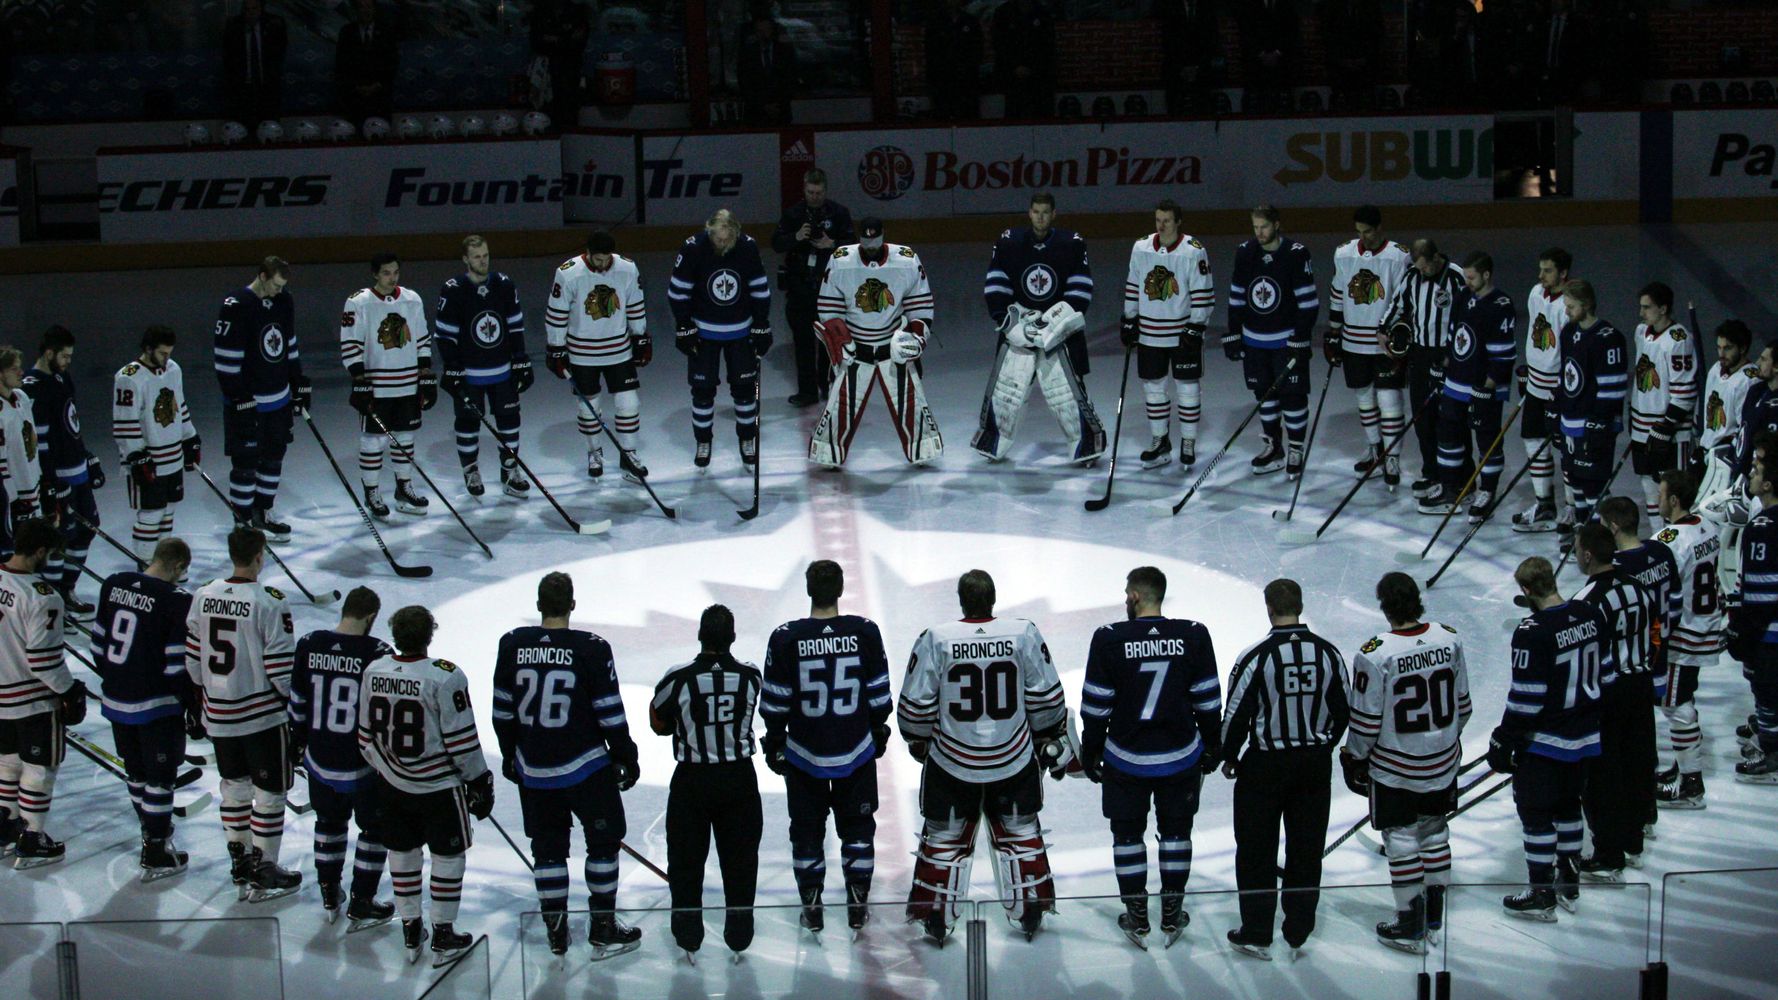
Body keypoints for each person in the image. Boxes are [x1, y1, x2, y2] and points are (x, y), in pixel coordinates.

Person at [898, 569, 1068, 943]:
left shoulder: (936, 638)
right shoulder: (1023, 633)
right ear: (993, 598)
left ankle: (937, 916)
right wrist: (1044, 736)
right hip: (1014, 759)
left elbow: (913, 710)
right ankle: (1031, 909)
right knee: (1021, 832)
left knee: (944, 838)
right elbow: (1048, 700)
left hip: (951, 763)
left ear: (961, 601)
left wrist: (919, 741)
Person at [493, 572, 642, 959]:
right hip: (586, 768)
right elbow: (609, 712)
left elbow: (502, 711)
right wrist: (626, 755)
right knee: (604, 844)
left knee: (547, 850)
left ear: (539, 604)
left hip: (535, 769)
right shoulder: (591, 648)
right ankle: (603, 926)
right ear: (572, 604)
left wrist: (510, 753)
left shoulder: (512, 644)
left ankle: (556, 931)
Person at [1079, 566, 1220, 950]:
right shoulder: (1193, 634)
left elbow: (1096, 706)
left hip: (1126, 760)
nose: (1126, 599)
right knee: (1177, 833)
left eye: (1127, 593)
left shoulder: (1109, 638)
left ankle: (1137, 913)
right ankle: (1172, 911)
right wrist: (1213, 743)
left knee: (1127, 835)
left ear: (1136, 596)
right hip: (1180, 757)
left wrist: (1090, 751)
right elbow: (1207, 699)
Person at [1342, 573, 1472, 953]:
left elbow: (1366, 723)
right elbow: (1463, 707)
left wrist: (1354, 755)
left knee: (1400, 838)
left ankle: (1410, 920)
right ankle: (1433, 916)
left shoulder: (1375, 652)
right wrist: (1442, 743)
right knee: (1434, 830)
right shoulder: (1449, 637)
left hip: (1397, 769)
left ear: (1384, 605)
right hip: (1443, 762)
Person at [760, 560, 892, 933]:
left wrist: (775, 741)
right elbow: (880, 698)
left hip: (805, 756)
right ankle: (857, 899)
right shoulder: (864, 631)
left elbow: (774, 705)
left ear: (808, 589)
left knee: (806, 832)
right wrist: (876, 730)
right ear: (840, 588)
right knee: (858, 830)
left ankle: (812, 903)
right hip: (856, 752)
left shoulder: (786, 636)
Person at [358, 605, 494, 967]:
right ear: (429, 635)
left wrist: (390, 768)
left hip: (391, 785)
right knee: (448, 856)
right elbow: (462, 743)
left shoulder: (375, 671)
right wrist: (479, 779)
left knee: (402, 852)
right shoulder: (444, 677)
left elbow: (364, 737)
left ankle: (410, 926)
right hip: (438, 789)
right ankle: (443, 933)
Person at [1220, 578, 1348, 961]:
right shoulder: (1328, 653)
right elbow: (1345, 710)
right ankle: (1297, 929)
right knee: (1306, 848)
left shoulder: (1256, 655)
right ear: (1301, 605)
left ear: (1269, 608)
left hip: (1265, 766)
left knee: (1256, 850)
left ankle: (1258, 931)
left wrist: (1228, 756)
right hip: (1312, 765)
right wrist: (1323, 743)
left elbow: (1236, 713)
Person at [1491, 556, 1610, 922]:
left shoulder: (1532, 631)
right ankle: (1568, 882)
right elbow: (1605, 671)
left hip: (1546, 741)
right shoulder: (1591, 614)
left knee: (1536, 814)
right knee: (1569, 805)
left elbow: (1527, 695)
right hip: (1585, 735)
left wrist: (1504, 738)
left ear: (1526, 591)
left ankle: (1542, 893)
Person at [185, 526, 300, 902]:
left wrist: (209, 694)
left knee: (233, 788)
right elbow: (281, 668)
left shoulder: (203, 595)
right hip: (261, 716)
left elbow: (193, 657)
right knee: (269, 794)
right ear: (259, 556)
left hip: (218, 713)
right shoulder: (270, 601)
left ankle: (239, 861)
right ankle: (264, 867)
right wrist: (293, 708)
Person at [650, 604, 763, 959]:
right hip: (739, 780)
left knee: (685, 863)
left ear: (700, 635)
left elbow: (657, 721)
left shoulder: (677, 677)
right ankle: (739, 934)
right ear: (732, 637)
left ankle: (688, 936)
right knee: (741, 862)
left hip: (692, 783)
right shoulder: (751, 675)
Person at [288, 586, 397, 931]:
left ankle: (329, 893)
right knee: (374, 830)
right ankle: (362, 899)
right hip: (362, 765)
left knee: (328, 824)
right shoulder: (378, 653)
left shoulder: (309, 644)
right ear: (370, 618)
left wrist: (299, 744)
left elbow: (298, 704)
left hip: (320, 759)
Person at [90, 536, 194, 881]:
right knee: (161, 779)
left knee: (136, 773)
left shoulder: (114, 583)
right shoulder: (176, 601)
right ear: (178, 566)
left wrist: (116, 680)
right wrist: (192, 705)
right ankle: (156, 848)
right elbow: (176, 666)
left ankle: (150, 831)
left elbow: (98, 644)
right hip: (156, 706)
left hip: (116, 701)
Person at [973, 192, 1104, 465]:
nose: (1040, 217)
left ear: (1053, 214)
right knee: (1007, 389)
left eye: (1046, 212)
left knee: (1065, 391)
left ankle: (1085, 443)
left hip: (1058, 329)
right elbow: (997, 283)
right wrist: (1008, 322)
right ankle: (995, 439)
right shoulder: (1009, 242)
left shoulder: (1072, 243)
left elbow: (1080, 288)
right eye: (1036, 211)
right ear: (1029, 213)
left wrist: (1057, 321)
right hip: (1022, 324)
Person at [811, 217, 943, 467]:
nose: (870, 246)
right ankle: (828, 451)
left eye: (875, 240)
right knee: (841, 403)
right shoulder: (841, 260)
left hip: (893, 347)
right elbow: (828, 308)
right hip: (855, 348)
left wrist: (916, 338)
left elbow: (921, 306)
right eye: (866, 240)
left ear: (883, 236)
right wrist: (840, 339)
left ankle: (922, 448)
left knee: (910, 402)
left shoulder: (906, 259)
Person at [1571, 521, 1657, 882]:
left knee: (1603, 775)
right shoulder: (1638, 586)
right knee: (1637, 763)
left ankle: (1608, 853)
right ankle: (1634, 841)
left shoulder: (1587, 601)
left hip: (1608, 694)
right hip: (1641, 685)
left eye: (1576, 549)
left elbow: (1586, 659)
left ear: (1588, 555)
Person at [0, 518, 84, 868]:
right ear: (39, 552)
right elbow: (43, 662)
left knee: (6, 762)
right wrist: (70, 690)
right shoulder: (42, 597)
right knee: (40, 767)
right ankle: (31, 839)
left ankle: (6, 828)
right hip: (31, 698)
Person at [215, 255, 310, 541]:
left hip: (278, 399)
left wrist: (298, 382)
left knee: (273, 457)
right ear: (263, 276)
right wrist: (238, 397)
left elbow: (288, 343)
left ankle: (263, 513)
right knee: (245, 465)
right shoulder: (236, 305)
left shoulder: (284, 300)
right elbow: (225, 360)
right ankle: (242, 525)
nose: (279, 291)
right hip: (248, 403)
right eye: (276, 285)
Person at [669, 209, 772, 470]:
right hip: (704, 333)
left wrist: (761, 324)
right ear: (709, 232)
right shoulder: (693, 248)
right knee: (702, 392)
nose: (722, 244)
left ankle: (747, 439)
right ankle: (703, 442)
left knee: (745, 391)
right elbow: (677, 292)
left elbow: (760, 288)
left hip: (741, 332)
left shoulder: (747, 247)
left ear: (736, 233)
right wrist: (684, 326)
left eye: (726, 239)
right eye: (717, 239)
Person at [1598, 495, 1675, 845]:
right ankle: (1646, 812)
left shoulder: (1616, 568)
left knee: (1626, 745)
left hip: (1630, 662)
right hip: (1657, 653)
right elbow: (1674, 602)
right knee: (1646, 737)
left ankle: (1626, 820)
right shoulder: (1661, 551)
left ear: (1613, 526)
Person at [546, 230, 651, 482]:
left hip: (619, 350)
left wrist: (640, 337)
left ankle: (629, 454)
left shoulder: (627, 268)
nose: (603, 265)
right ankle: (594, 452)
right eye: (597, 260)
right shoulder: (568, 272)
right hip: (582, 354)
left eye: (606, 260)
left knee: (629, 404)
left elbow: (636, 304)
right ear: (588, 253)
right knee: (588, 408)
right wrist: (556, 348)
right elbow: (556, 312)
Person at [1419, 251, 1516, 523]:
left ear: (1486, 275)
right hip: (1456, 382)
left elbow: (1504, 354)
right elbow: (1455, 336)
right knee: (1447, 434)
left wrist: (1488, 387)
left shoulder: (1500, 304)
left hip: (1483, 387)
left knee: (1487, 439)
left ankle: (1487, 491)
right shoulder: (1463, 295)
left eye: (1472, 277)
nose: (1467, 282)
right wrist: (1444, 364)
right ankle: (1452, 486)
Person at [1224, 204, 1317, 479]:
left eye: (1263, 226)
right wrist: (1233, 333)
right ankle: (1273, 446)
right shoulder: (1245, 252)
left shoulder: (1296, 254)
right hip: (1255, 342)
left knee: (1293, 396)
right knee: (1264, 395)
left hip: (1285, 341)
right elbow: (1237, 296)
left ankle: (1296, 448)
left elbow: (1308, 303)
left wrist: (1300, 338)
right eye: (1255, 227)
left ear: (1277, 224)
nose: (1259, 232)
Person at [435, 235, 532, 499]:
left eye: (486, 255)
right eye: (477, 256)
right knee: (468, 422)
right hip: (470, 373)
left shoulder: (503, 284)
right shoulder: (453, 289)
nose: (483, 261)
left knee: (510, 421)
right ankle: (470, 470)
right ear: (465, 259)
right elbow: (444, 335)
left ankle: (510, 471)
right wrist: (452, 367)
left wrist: (521, 358)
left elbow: (515, 324)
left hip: (502, 371)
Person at [1325, 205, 1414, 490]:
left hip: (1384, 343)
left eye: (1368, 231)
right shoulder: (1344, 252)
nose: (1364, 237)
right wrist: (1333, 332)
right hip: (1353, 341)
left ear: (1379, 229)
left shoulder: (1398, 256)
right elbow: (1338, 290)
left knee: (1389, 400)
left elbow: (1406, 298)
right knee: (1364, 397)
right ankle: (1375, 449)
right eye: (1359, 231)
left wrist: (1400, 334)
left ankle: (1393, 457)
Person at [1123, 200, 1215, 471]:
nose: (1161, 226)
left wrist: (1197, 325)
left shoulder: (1193, 251)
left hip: (1182, 334)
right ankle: (1160, 441)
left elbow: (1203, 291)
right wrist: (1129, 319)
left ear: (1178, 221)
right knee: (1153, 388)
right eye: (1157, 220)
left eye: (1167, 220)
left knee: (1187, 389)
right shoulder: (1140, 248)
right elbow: (1132, 283)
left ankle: (1188, 442)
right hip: (1150, 333)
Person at [342, 252, 433, 520]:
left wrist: (425, 376)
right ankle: (371, 491)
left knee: (405, 437)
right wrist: (359, 381)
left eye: (395, 272)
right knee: (373, 441)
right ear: (374, 274)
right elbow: (350, 344)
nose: (392, 278)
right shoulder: (358, 302)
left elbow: (422, 338)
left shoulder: (412, 299)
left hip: (407, 384)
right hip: (377, 386)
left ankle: (403, 488)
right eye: (386, 273)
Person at [1651, 469, 1722, 808]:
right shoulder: (1708, 526)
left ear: (1674, 500)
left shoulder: (1670, 539)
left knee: (1676, 704)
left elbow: (1658, 588)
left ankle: (1691, 783)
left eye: (1661, 494)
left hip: (1684, 633)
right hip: (1706, 625)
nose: (1657, 500)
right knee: (1683, 698)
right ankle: (1682, 768)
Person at [22, 326, 103, 609]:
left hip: (78, 472)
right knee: (59, 540)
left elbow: (72, 425)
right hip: (60, 479)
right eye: (65, 356)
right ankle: (53, 602)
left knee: (87, 529)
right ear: (49, 353)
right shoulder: (33, 386)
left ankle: (66, 592)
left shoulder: (61, 377)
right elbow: (39, 440)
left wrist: (88, 457)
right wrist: (49, 481)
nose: (69, 361)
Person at [1382, 239, 1465, 501]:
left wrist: (1456, 355)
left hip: (1448, 356)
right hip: (1420, 354)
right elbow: (1397, 305)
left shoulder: (1456, 277)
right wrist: (1383, 330)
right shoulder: (1412, 276)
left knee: (1450, 420)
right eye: (1418, 268)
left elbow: (1467, 316)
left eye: (1425, 267)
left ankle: (1456, 475)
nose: (1422, 272)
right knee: (1422, 417)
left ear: (1435, 257)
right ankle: (1431, 471)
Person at [113, 325, 199, 563]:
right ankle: (146, 571)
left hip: (172, 457)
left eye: (169, 352)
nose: (166, 358)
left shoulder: (173, 369)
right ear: (148, 349)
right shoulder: (128, 378)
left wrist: (190, 437)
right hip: (149, 461)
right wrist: (136, 456)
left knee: (168, 512)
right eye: (162, 353)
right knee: (151, 515)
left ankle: (163, 568)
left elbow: (178, 406)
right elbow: (124, 422)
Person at [771, 168, 854, 407]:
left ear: (825, 190)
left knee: (829, 340)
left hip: (830, 288)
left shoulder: (838, 213)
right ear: (804, 189)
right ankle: (807, 391)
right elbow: (776, 243)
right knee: (803, 342)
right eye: (810, 192)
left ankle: (828, 385)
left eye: (818, 192)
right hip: (800, 288)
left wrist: (832, 243)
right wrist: (796, 236)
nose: (814, 196)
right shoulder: (793, 215)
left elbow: (854, 246)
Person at [1555, 279, 1628, 546]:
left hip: (1595, 425)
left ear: (1586, 305)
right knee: (1574, 480)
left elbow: (1613, 387)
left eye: (1571, 306)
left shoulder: (1609, 338)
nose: (1567, 312)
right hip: (1570, 423)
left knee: (1594, 485)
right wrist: (1558, 411)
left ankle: (1599, 539)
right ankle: (1582, 533)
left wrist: (1599, 423)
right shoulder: (1568, 332)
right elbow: (1566, 376)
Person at [1511, 247, 1572, 533]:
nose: (1541, 275)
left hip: (1559, 389)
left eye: (1548, 270)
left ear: (1563, 273)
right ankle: (1545, 503)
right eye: (1541, 269)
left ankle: (1572, 508)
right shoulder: (1536, 293)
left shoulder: (1570, 304)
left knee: (1566, 450)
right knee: (1532, 439)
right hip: (1536, 384)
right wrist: (1528, 369)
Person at [1729, 432, 1778, 783]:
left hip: (1771, 633)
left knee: (1767, 689)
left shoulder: (1762, 528)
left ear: (1769, 485)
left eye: (1758, 471)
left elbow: (1760, 594)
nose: (1751, 474)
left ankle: (1771, 751)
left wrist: (1741, 630)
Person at [1628, 282, 1698, 524]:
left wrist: (1666, 426)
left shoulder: (1679, 339)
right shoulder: (1641, 332)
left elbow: (1685, 392)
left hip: (1669, 432)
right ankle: (1659, 541)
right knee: (1649, 487)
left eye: (1647, 307)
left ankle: (1673, 543)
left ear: (1664, 308)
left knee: (1672, 491)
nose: (1641, 313)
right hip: (1642, 426)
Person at [1696, 320, 1757, 592]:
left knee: (1710, 518)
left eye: (1728, 348)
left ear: (1743, 348)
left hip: (1726, 458)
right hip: (1708, 453)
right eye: (1719, 347)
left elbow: (1743, 429)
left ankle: (1718, 583)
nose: (1721, 353)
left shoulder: (1749, 380)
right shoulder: (1714, 370)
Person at [0, 345, 44, 557]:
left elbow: (32, 443)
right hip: (13, 498)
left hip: (32, 488)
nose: (21, 373)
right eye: (14, 369)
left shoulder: (21, 397)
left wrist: (42, 480)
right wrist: (14, 500)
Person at [222, 0, 287, 127]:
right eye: (247, 9)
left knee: (269, 125)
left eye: (254, 9)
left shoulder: (274, 26)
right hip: (243, 88)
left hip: (268, 87)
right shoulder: (234, 27)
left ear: (261, 9)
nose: (250, 13)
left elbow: (279, 52)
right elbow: (228, 57)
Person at [334, 0, 397, 127]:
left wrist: (378, 85)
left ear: (374, 10)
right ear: (356, 11)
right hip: (355, 96)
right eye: (362, 7)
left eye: (369, 7)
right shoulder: (347, 32)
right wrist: (356, 86)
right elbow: (342, 63)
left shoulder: (386, 31)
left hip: (380, 95)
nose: (366, 10)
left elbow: (392, 61)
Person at [528, 0, 589, 130]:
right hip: (545, 70)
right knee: (546, 108)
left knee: (568, 105)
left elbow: (578, 41)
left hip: (570, 69)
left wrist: (554, 39)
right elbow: (536, 40)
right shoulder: (541, 12)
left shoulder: (577, 12)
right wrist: (562, 39)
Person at [992, 0, 1057, 119]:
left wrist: (1033, 68)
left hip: (1039, 78)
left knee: (1041, 116)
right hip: (1011, 77)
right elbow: (999, 44)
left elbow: (1048, 46)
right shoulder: (1003, 12)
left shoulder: (1042, 13)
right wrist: (1014, 66)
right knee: (1014, 116)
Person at [924, 0, 984, 121]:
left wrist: (967, 68)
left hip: (967, 80)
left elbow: (977, 49)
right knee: (943, 117)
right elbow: (931, 52)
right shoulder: (935, 22)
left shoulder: (970, 21)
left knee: (968, 117)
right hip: (942, 81)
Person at [735, 13, 795, 126]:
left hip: (781, 112)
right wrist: (763, 105)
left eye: (766, 30)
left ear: (772, 31)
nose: (763, 35)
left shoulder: (784, 52)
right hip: (755, 114)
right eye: (759, 31)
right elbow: (745, 83)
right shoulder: (747, 54)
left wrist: (778, 104)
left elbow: (790, 79)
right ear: (755, 33)